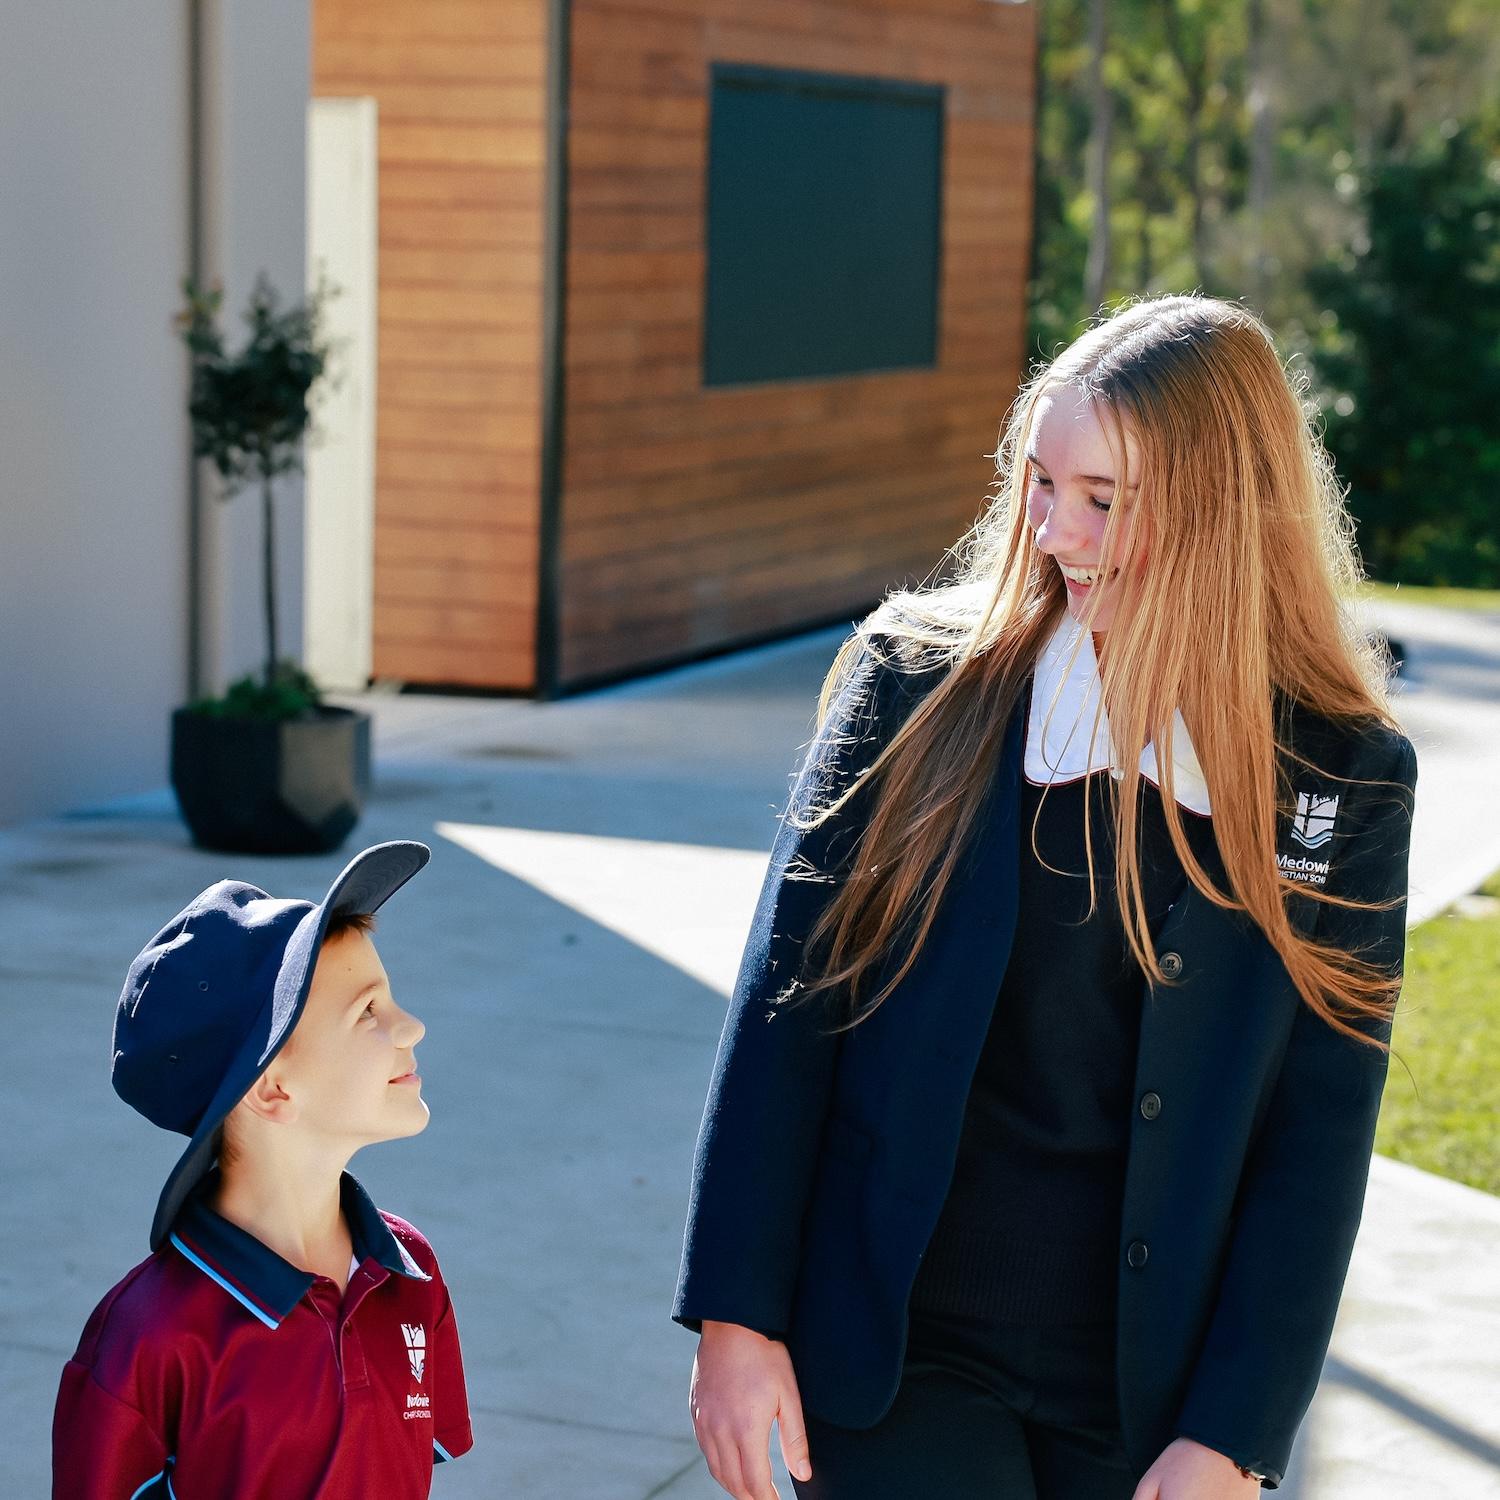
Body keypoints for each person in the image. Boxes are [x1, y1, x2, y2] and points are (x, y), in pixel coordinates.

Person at [673, 294, 1420, 1499]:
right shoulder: (912, 685)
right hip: (897, 1354)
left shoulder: (1342, 776)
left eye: (1105, 501)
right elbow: (785, 1005)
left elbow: (1319, 1129)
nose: (1055, 531)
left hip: (1145, 1397)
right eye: (1039, 482)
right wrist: (735, 1319)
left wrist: (1237, 1432)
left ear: (1226, 515)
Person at [53, 841, 473, 1498]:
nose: (411, 1025)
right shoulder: (150, 1340)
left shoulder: (408, 1272)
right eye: (368, 1012)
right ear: (273, 1090)